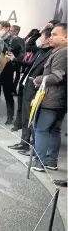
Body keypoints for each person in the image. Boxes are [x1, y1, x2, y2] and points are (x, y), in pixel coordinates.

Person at [6, 28, 53, 155]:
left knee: (31, 119)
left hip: (34, 88)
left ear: (48, 39)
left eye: (41, 36)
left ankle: (31, 145)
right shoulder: (40, 51)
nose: (38, 39)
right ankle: (24, 142)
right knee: (24, 116)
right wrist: (15, 59)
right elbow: (30, 63)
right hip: (25, 85)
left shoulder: (50, 53)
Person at [30, 23, 67, 172]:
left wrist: (39, 79)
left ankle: (40, 162)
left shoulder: (63, 52)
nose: (51, 37)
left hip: (52, 99)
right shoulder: (59, 51)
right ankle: (51, 161)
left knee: (41, 130)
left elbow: (57, 76)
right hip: (59, 99)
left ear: (66, 37)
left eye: (55, 34)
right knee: (53, 130)